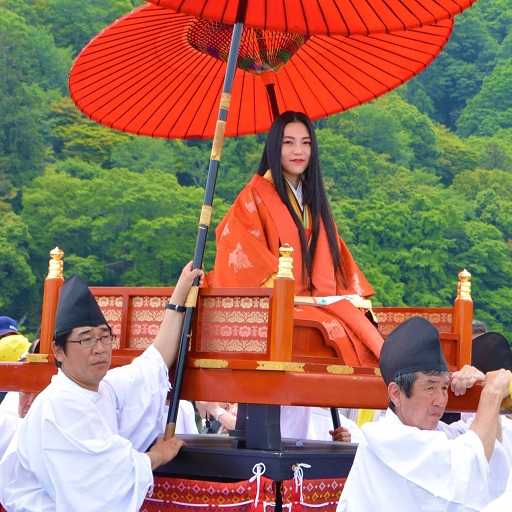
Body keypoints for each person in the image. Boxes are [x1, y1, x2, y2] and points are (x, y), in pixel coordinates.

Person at [0, 262, 203, 512]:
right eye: (86, 339)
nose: (99, 348)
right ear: (59, 351)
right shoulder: (60, 403)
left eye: (105, 336)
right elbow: (106, 476)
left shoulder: (101, 389)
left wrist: (180, 293)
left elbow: (154, 363)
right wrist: (159, 455)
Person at [206, 110, 383, 366]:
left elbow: (333, 257)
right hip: (276, 305)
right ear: (274, 147)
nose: (298, 150)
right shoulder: (253, 196)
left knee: (356, 320)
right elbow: (237, 249)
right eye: (288, 142)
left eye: (306, 142)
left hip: (316, 300)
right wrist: (285, 290)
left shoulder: (314, 202)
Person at [337, 316, 512, 512]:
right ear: (396, 393)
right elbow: (469, 462)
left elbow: (491, 462)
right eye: (430, 387)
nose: (440, 400)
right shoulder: (385, 438)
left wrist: (481, 390)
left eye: (445, 388)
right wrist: (491, 394)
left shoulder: (438, 434)